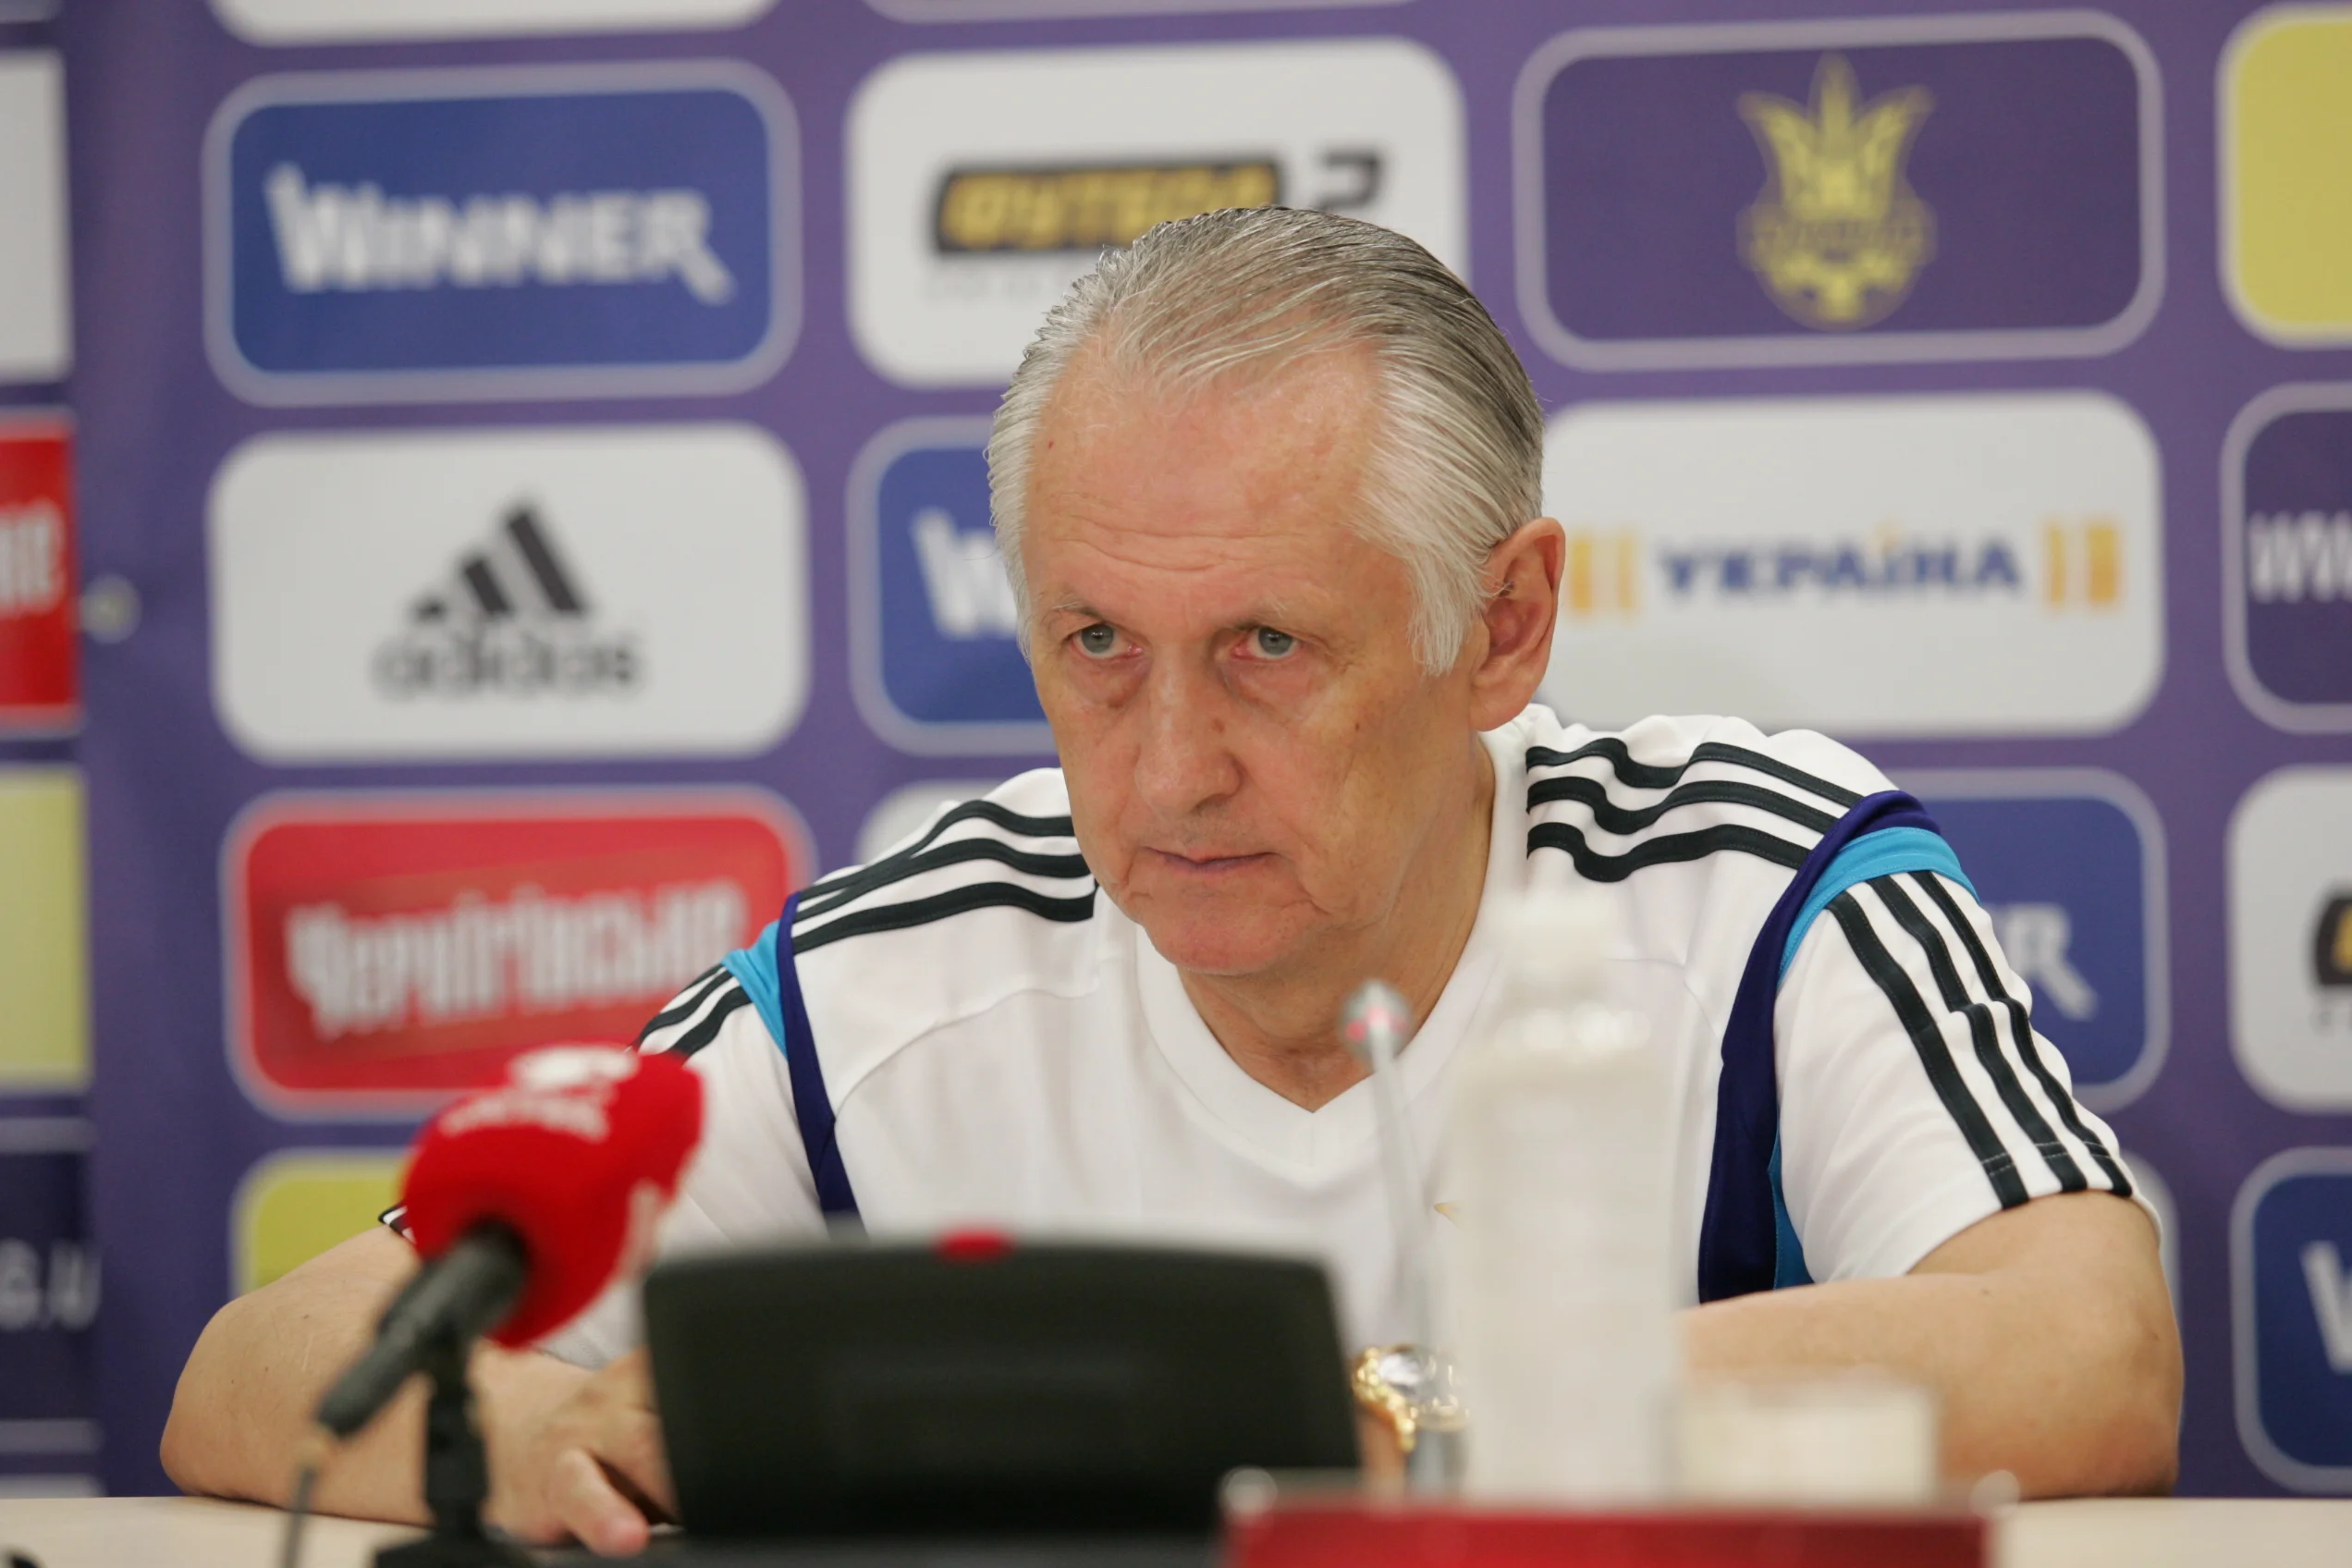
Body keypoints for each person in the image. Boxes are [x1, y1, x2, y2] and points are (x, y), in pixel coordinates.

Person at [163, 208, 2179, 1552]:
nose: (1166, 767)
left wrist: (1412, 1414)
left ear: (1502, 626)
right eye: (1096, 646)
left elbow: (2093, 1353)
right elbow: (260, 1369)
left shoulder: (1759, 880)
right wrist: (523, 1438)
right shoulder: (895, 974)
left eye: (1268, 648)